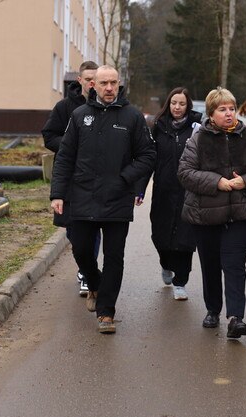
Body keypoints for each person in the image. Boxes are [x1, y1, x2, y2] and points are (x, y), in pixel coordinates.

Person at [50, 65, 156, 334]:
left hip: (117, 198)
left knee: (114, 257)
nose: (109, 88)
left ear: (119, 84)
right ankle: (95, 285)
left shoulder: (131, 117)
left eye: (113, 83)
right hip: (82, 195)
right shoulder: (79, 116)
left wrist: (124, 179)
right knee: (81, 249)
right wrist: (58, 193)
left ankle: (106, 313)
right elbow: (65, 157)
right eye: (104, 83)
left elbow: (147, 155)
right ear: (92, 85)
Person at [177, 87, 246, 339]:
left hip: (241, 213)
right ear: (211, 113)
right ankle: (213, 309)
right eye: (222, 109)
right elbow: (185, 172)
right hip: (206, 214)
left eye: (232, 108)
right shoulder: (198, 139)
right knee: (210, 264)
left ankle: (236, 317)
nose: (229, 114)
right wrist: (216, 182)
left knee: (234, 263)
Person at [135, 87, 201, 301]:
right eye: (174, 103)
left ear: (187, 105)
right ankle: (166, 264)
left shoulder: (197, 129)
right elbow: (149, 160)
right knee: (160, 235)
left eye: (182, 104)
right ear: (168, 104)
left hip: (189, 192)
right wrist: (140, 188)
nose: (177, 107)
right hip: (163, 190)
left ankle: (180, 281)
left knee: (186, 239)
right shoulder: (158, 127)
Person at [42, 61, 101, 298]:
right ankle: (84, 265)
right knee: (73, 229)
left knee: (93, 226)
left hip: (95, 179)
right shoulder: (64, 107)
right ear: (80, 80)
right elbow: (49, 136)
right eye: (88, 79)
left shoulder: (105, 108)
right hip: (69, 178)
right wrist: (70, 147)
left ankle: (88, 274)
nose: (92, 83)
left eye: (96, 79)